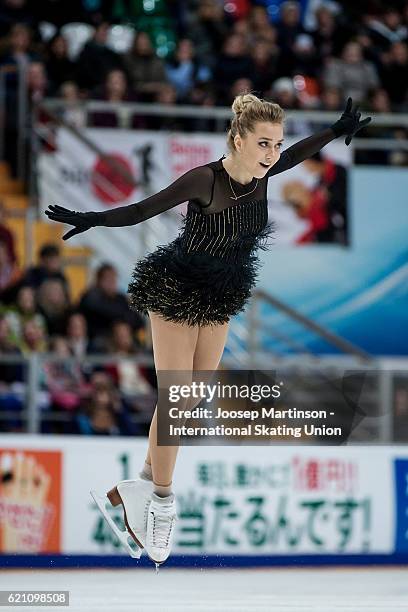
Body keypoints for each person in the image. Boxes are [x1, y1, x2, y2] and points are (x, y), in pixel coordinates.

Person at [45, 94, 371, 568]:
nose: (272, 153)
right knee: (176, 399)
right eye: (263, 143)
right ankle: (160, 501)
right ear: (238, 139)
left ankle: (137, 482)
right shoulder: (206, 179)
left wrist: (333, 131)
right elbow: (141, 211)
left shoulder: (265, 174)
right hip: (177, 288)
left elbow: (299, 153)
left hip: (220, 294)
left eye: (275, 143)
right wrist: (91, 217)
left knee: (193, 396)